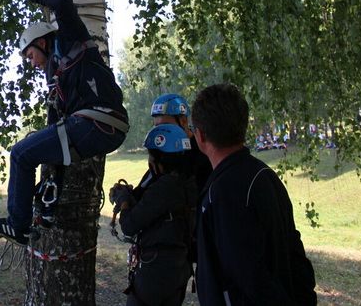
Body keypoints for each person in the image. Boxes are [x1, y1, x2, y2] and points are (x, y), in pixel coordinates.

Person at [0, 0, 129, 245]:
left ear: (42, 41)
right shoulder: (56, 81)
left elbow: (62, 2)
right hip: (98, 126)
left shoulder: (69, 39)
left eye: (30, 55)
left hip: (97, 121)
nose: (31, 63)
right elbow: (57, 138)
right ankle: (31, 219)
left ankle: (18, 225)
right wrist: (52, 196)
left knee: (19, 153)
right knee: (30, 150)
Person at [192, 83, 317, 305]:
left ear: (200, 136)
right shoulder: (266, 176)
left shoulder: (221, 193)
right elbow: (296, 255)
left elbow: (248, 278)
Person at [116, 123, 196, 306]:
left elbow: (129, 225)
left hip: (156, 271)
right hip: (179, 266)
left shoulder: (164, 187)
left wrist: (124, 202)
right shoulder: (188, 183)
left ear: (157, 158)